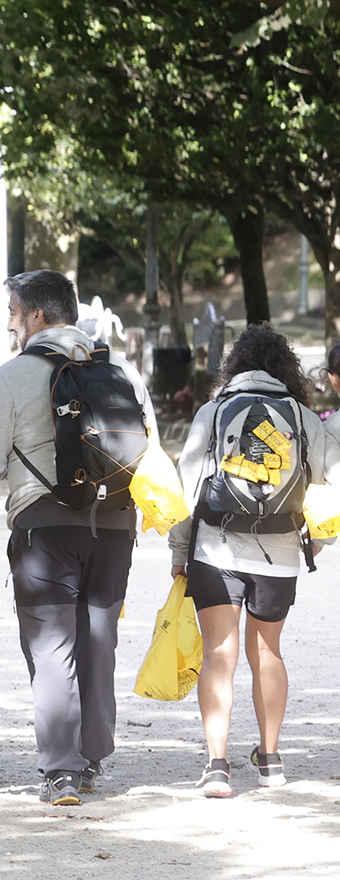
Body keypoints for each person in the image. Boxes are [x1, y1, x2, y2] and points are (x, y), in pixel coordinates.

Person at [0, 269, 156, 806]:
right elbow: (147, 452)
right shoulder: (120, 370)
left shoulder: (14, 375)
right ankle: (92, 759)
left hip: (45, 526)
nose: (8, 324)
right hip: (115, 524)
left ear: (38, 316)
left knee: (52, 647)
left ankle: (61, 772)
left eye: (12, 313)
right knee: (100, 641)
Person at [170, 325, 340, 796]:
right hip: (280, 549)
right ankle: (270, 759)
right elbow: (332, 476)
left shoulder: (213, 411)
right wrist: (321, 535)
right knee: (267, 651)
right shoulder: (303, 416)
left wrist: (179, 552)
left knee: (218, 655)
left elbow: (188, 489)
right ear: (285, 367)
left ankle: (218, 765)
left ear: (234, 366)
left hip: (214, 547)